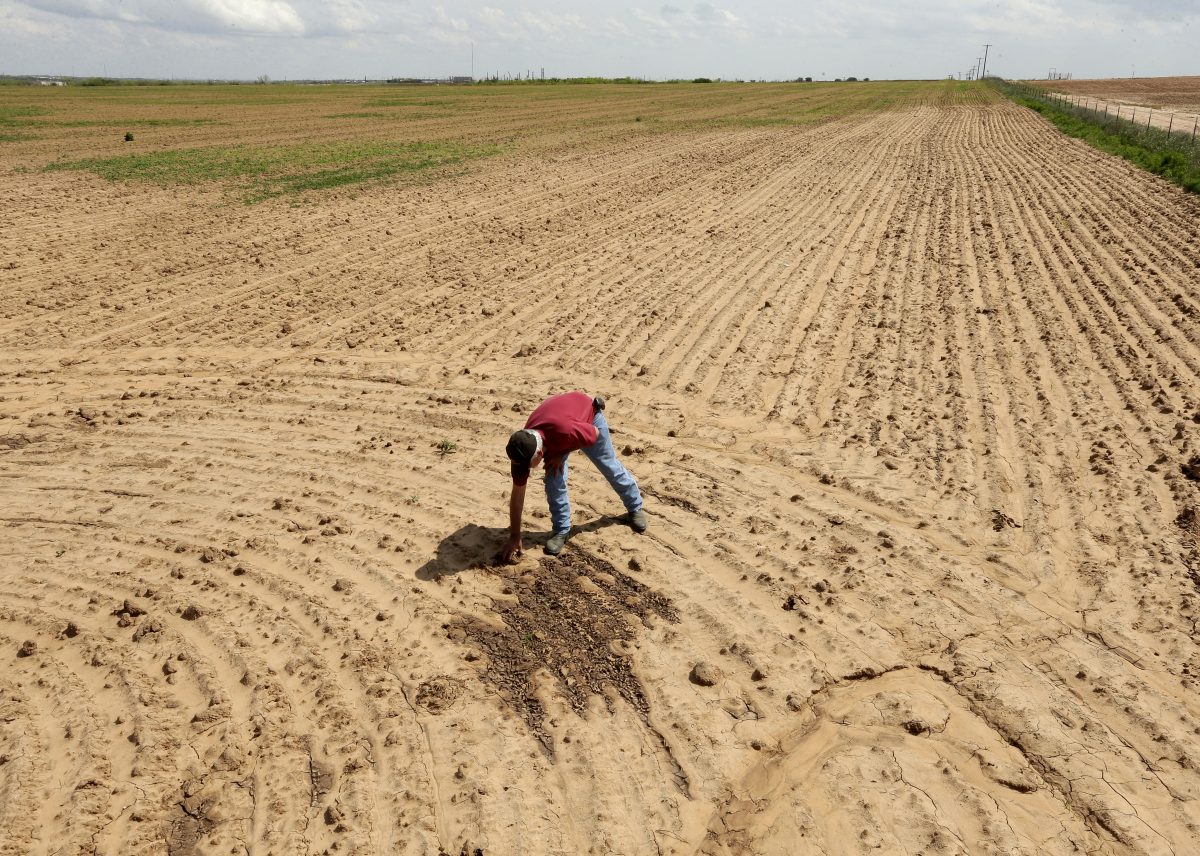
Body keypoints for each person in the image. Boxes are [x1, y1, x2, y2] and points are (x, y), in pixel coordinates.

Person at [502, 391, 646, 560]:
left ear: (540, 453)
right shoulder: (522, 448)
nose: (526, 470)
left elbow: (594, 433)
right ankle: (561, 530)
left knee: (608, 464)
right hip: (558, 426)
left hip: (589, 419)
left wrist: (561, 453)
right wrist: (514, 536)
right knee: (553, 479)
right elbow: (518, 494)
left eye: (528, 466)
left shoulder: (566, 432)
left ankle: (635, 506)